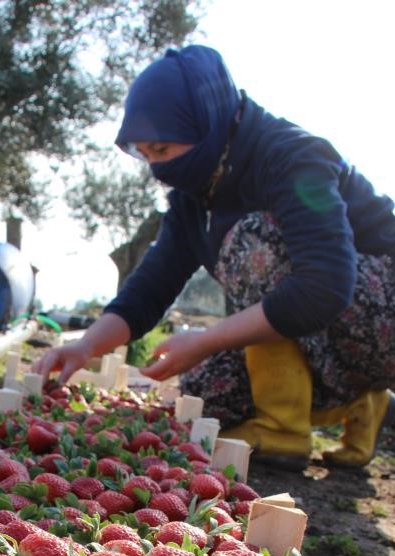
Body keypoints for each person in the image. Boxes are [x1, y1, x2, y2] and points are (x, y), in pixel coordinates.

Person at [35, 45, 395, 469]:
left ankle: (285, 433)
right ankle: (363, 403)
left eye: (163, 150)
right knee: (206, 397)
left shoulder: (292, 157)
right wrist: (86, 344)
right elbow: (152, 286)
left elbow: (325, 285)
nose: (157, 169)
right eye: (146, 155)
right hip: (329, 331)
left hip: (378, 318)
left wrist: (204, 340)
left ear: (206, 121)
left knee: (252, 244)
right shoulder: (198, 193)